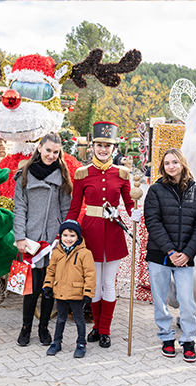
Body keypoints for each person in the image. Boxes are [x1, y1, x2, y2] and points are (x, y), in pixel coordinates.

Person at [66, 121, 141, 348]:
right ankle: (97, 327)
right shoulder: (82, 174)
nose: (103, 149)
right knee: (95, 284)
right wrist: (67, 230)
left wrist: (135, 212)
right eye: (99, 145)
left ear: (114, 148)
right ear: (93, 146)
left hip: (114, 233)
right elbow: (74, 206)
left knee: (109, 283)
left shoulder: (122, 173)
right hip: (90, 234)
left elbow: (129, 204)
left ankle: (105, 330)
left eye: (107, 146)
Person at [143, 148, 196, 362]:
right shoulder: (155, 190)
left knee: (187, 300)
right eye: (167, 163)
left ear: (182, 164)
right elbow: (153, 222)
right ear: (163, 166)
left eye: (175, 162)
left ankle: (188, 339)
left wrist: (187, 253)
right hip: (159, 255)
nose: (171, 166)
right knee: (160, 299)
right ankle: (166, 336)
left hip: (185, 258)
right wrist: (170, 251)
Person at [13, 133, 73, 347]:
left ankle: (43, 328)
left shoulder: (62, 176)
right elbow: (19, 208)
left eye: (56, 152)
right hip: (31, 241)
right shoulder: (24, 175)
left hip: (53, 241)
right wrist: (20, 236)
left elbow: (67, 210)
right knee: (32, 288)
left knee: (50, 289)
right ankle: (26, 327)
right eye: (48, 150)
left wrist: (65, 238)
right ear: (39, 148)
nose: (51, 155)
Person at [43, 220, 96, 358]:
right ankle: (57, 342)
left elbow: (90, 274)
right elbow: (51, 271)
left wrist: (88, 293)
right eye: (65, 235)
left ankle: (81, 344)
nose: (68, 239)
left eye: (72, 236)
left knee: (79, 319)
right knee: (61, 318)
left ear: (78, 237)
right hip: (60, 291)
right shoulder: (56, 252)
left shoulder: (85, 253)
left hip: (77, 293)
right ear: (60, 236)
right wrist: (48, 285)